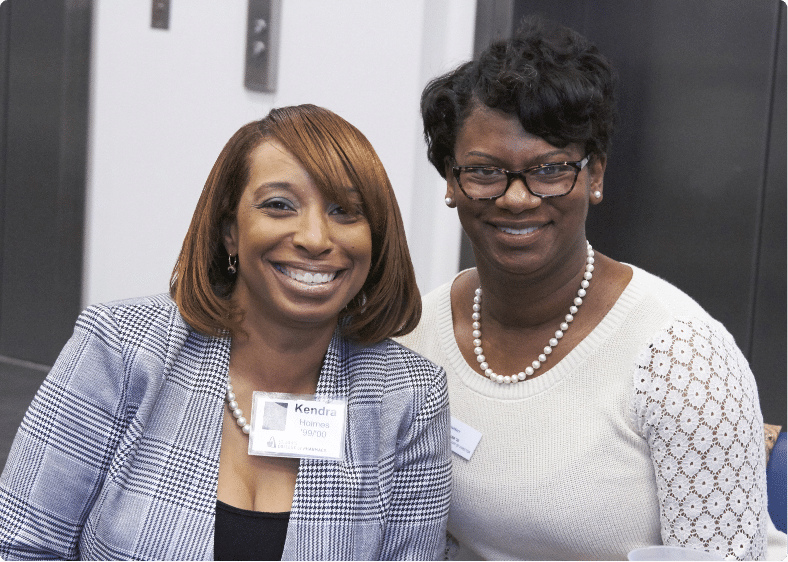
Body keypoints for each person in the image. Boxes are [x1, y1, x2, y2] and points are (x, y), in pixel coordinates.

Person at [397, 16, 785, 561]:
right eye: (484, 172)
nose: (517, 198)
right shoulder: (417, 341)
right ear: (451, 182)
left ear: (594, 174)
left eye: (550, 169)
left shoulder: (683, 358)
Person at [0, 104, 451, 561]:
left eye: (345, 211)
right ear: (230, 232)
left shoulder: (409, 397)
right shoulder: (122, 347)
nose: (315, 237)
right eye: (279, 206)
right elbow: (19, 546)